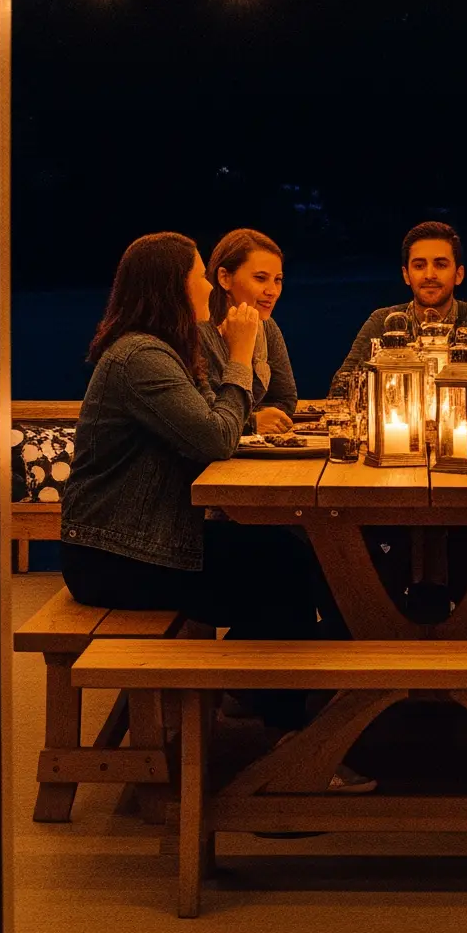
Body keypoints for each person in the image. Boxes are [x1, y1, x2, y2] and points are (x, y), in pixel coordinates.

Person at [59, 231, 328, 734]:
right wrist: (242, 355)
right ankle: (293, 739)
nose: (208, 285)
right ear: (172, 286)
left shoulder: (170, 350)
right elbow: (216, 436)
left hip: (151, 539)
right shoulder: (141, 357)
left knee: (295, 554)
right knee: (284, 571)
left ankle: (269, 695)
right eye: (201, 275)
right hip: (115, 556)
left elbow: (217, 420)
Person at [329, 220, 467, 392]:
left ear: (459, 274)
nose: (429, 275)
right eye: (419, 266)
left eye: (440, 265)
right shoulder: (383, 323)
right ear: (406, 275)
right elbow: (341, 387)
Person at [200, 225, 299, 434]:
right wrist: (251, 422)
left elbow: (285, 399)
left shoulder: (266, 327)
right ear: (225, 278)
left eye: (278, 280)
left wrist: (263, 420)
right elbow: (199, 417)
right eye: (260, 278)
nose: (272, 291)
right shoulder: (199, 332)